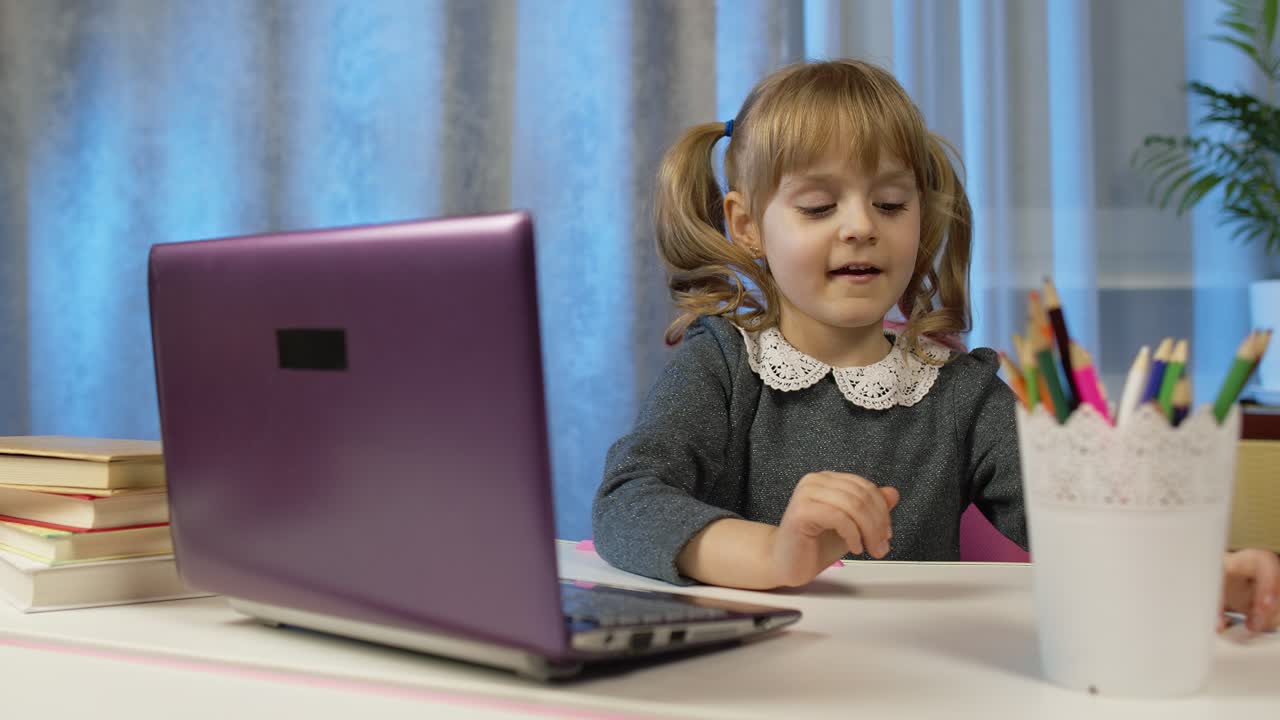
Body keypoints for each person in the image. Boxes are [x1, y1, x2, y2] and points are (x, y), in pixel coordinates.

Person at [590, 58, 1280, 634]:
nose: (861, 226)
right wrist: (775, 553)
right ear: (745, 223)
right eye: (819, 206)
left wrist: (1198, 573)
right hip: (748, 685)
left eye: (890, 204)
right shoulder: (722, 364)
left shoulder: (960, 391)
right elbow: (628, 502)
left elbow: (1072, 510)